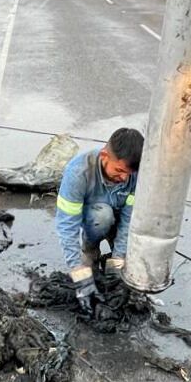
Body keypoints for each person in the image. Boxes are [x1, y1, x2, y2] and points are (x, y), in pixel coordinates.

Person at [55, 128, 144, 317]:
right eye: (119, 170)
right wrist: (77, 269)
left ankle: (114, 254)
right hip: (94, 219)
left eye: (130, 173)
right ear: (104, 156)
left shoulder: (135, 175)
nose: (124, 178)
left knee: (141, 236)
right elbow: (66, 225)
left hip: (119, 221)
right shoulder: (78, 172)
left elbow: (131, 218)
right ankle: (91, 249)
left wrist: (118, 258)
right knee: (102, 216)